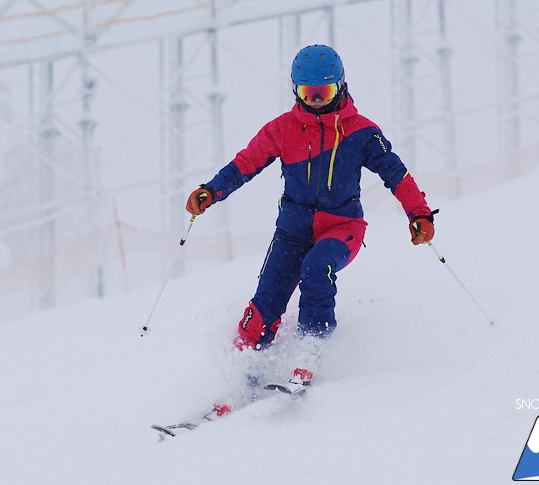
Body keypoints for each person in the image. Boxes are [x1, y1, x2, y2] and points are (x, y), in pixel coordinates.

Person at [185, 44, 436, 409]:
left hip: (342, 227)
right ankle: (241, 382)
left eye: (324, 93)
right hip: (292, 231)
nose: (316, 101)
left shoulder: (362, 132)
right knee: (263, 306)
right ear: (295, 90)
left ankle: (311, 348)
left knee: (317, 267)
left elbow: (396, 174)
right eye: (307, 94)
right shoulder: (282, 130)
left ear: (341, 86)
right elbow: (245, 163)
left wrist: (419, 214)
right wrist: (212, 190)